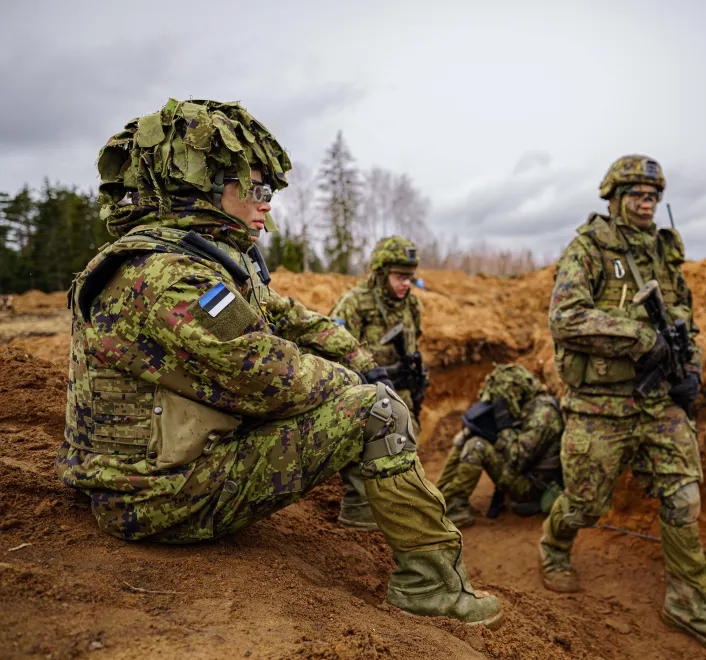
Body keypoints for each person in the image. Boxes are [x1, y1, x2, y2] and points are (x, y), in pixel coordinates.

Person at [55, 98, 501, 628]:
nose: (267, 204)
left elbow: (286, 316)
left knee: (365, 392)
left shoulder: (187, 260)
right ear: (206, 189)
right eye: (256, 189)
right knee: (377, 411)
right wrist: (359, 381)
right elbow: (270, 376)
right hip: (156, 500)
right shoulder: (169, 277)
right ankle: (432, 588)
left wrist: (358, 356)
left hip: (150, 478)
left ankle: (364, 512)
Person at [538, 155, 706, 657]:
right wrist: (639, 339)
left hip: (660, 403)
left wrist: (691, 370)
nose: (646, 203)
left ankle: (688, 603)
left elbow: (685, 321)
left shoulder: (665, 253)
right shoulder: (589, 249)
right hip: (598, 405)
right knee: (585, 505)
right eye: (636, 194)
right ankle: (554, 543)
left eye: (653, 195)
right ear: (613, 197)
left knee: (682, 497)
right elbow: (565, 319)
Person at [329, 236, 429, 530]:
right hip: (368, 394)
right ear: (381, 273)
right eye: (399, 277)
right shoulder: (353, 303)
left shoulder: (411, 304)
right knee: (366, 454)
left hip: (404, 395)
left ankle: (401, 509)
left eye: (410, 277)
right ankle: (359, 511)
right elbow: (336, 350)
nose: (405, 284)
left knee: (408, 452)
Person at [435, 364, 564, 528]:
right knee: (470, 436)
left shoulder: (543, 415)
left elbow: (518, 458)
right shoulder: (528, 406)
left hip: (532, 488)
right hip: (524, 475)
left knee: (477, 446)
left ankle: (455, 508)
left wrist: (504, 427)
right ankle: (437, 497)